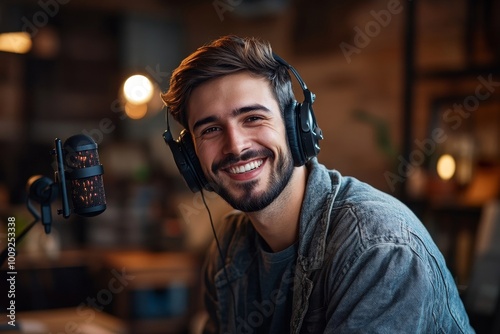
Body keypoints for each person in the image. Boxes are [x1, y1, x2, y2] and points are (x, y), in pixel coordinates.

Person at [161, 35, 475, 334]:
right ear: (190, 159)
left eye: (253, 118)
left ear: (297, 126)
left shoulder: (379, 248)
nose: (236, 146)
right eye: (211, 129)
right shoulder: (228, 248)